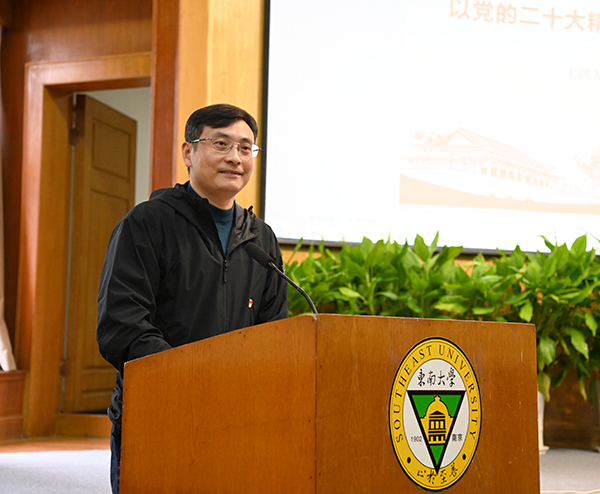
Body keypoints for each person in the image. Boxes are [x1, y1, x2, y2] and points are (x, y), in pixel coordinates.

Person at [96, 103, 289, 494]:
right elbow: (122, 324)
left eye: (245, 148)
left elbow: (274, 330)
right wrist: (191, 379)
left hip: (237, 417)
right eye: (221, 144)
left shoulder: (261, 238)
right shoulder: (147, 223)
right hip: (160, 412)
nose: (235, 157)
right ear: (188, 152)